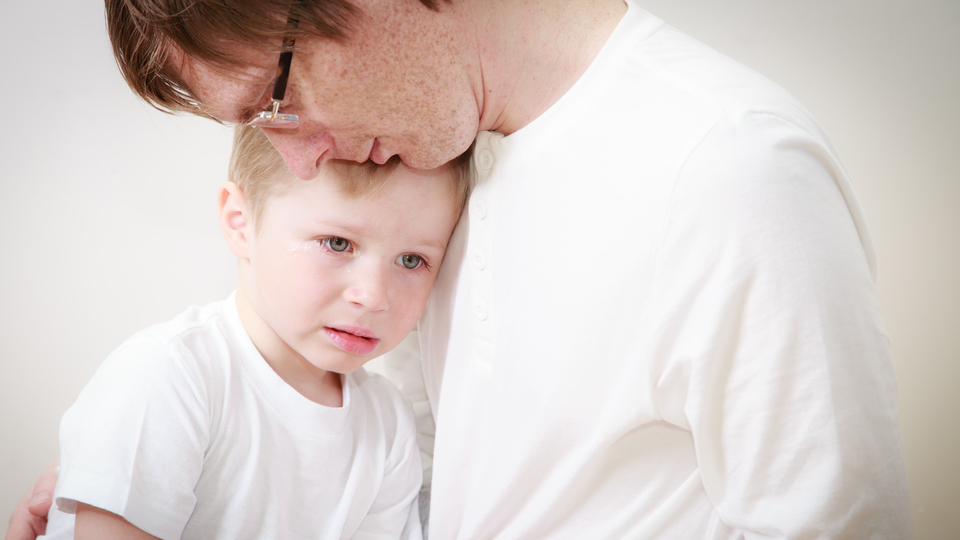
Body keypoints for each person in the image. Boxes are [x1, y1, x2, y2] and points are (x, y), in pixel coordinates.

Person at [11, 0, 912, 538]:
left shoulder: (728, 169)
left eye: (274, 102)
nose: (295, 157)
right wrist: (144, 485)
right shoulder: (439, 157)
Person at [32, 124, 471, 540]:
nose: (375, 296)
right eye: (337, 243)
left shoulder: (388, 425)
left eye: (412, 260)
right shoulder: (169, 376)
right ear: (241, 222)